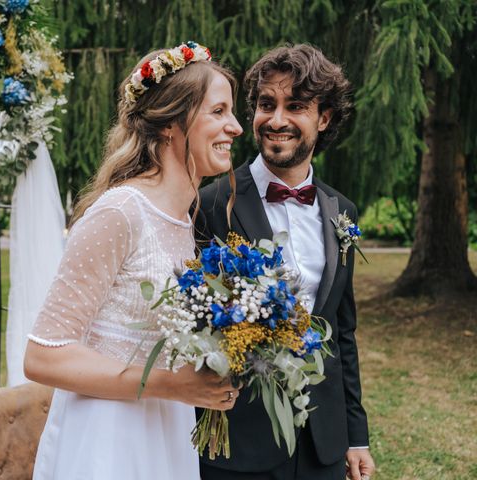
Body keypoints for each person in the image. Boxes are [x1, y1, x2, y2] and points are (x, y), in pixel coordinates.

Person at [24, 42, 243, 479]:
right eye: (218, 112)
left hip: (165, 428)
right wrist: (170, 384)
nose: (235, 127)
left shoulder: (184, 217)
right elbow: (42, 357)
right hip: (108, 438)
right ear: (170, 124)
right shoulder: (120, 212)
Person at [195, 44, 376, 480]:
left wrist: (356, 436)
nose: (276, 120)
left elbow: (341, 332)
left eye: (295, 106)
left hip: (324, 443)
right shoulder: (211, 203)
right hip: (240, 441)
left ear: (324, 118)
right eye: (265, 104)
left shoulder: (341, 211)